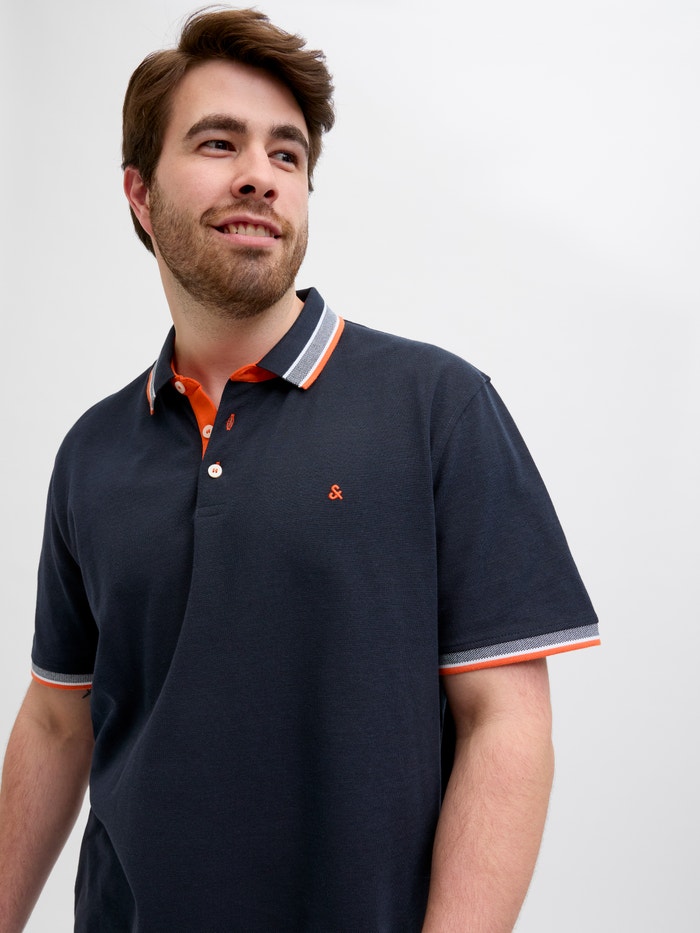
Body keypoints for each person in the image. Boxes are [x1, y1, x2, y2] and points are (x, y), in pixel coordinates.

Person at [0, 8, 600, 932]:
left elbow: (507, 725)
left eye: (286, 153)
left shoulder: (437, 407)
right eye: (218, 142)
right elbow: (56, 720)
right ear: (139, 193)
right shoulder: (93, 451)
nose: (260, 174)